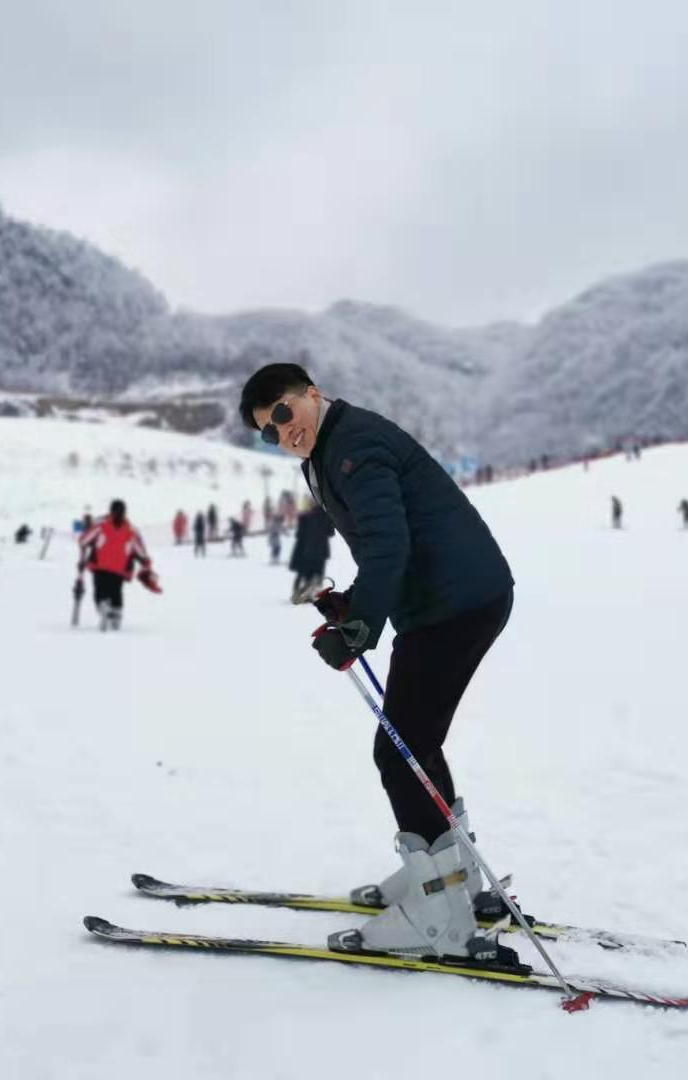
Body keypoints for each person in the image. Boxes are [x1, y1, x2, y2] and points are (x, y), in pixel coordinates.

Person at [239, 362, 515, 964]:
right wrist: (354, 605)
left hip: (455, 602)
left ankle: (442, 915)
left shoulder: (352, 445)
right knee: (417, 743)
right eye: (267, 430)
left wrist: (360, 628)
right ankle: (449, 877)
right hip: (451, 598)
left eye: (283, 413)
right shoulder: (329, 450)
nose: (281, 431)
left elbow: (391, 545)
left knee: (400, 750)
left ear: (312, 394)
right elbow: (385, 542)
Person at [78, 499, 152, 631]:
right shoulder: (132, 530)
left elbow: (84, 540)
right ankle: (116, 613)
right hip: (119, 568)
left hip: (99, 565)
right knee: (116, 590)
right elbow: (140, 550)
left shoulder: (101, 524)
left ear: (110, 510)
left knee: (100, 589)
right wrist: (145, 562)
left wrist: (85, 544)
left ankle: (102, 606)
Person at [289, 498, 334, 603]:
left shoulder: (305, 516)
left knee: (306, 574)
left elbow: (300, 535)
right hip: (322, 550)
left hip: (308, 550)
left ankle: (301, 595)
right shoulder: (325, 516)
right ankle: (310, 595)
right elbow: (331, 532)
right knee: (318, 575)